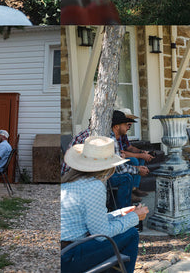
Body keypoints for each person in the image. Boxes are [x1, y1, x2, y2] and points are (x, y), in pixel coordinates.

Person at [60, 136, 148, 273]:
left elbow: (93, 221)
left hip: (64, 251)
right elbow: (102, 234)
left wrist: (120, 213)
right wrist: (135, 217)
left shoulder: (69, 181)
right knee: (131, 234)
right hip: (70, 256)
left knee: (125, 232)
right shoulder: (94, 186)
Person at [61, 114, 148, 207]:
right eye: (126, 124)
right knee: (126, 178)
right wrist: (137, 170)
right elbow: (119, 168)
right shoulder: (107, 137)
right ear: (116, 126)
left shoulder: (85, 133)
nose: (128, 126)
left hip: (70, 175)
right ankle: (123, 210)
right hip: (81, 176)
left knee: (131, 164)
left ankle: (125, 198)